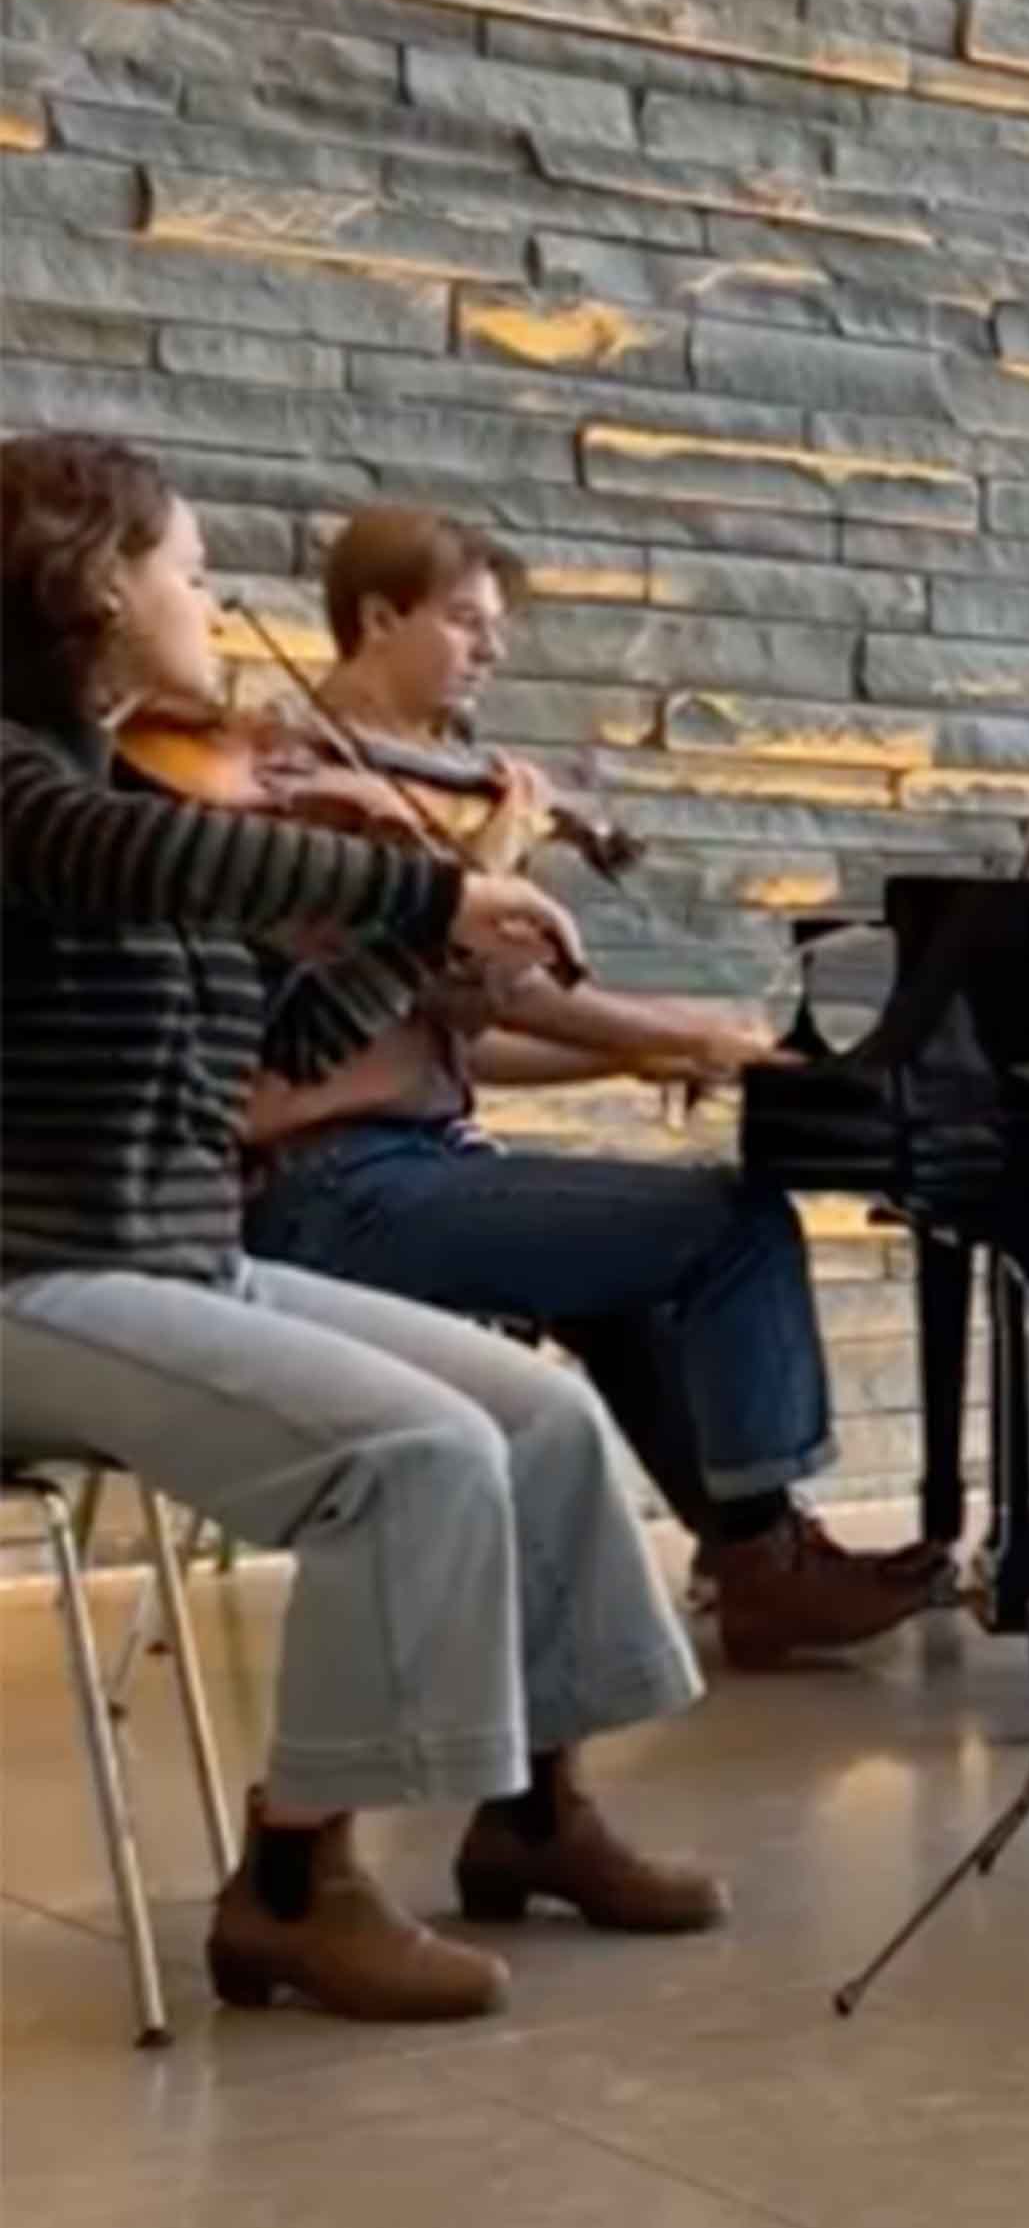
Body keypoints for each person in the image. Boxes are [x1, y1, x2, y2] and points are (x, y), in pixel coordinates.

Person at [0, 433, 727, 2024]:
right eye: (190, 572)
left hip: (174, 1254)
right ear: (97, 587)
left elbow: (289, 1052)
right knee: (410, 1455)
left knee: (540, 1417)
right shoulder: (35, 796)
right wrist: (424, 895)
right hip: (32, 1275)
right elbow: (114, 855)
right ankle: (288, 1886)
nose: (213, 606)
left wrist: (444, 928)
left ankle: (533, 1818)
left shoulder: (136, 791)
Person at [238, 506, 942, 1665]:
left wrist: (639, 1052)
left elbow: (464, 1042)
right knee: (731, 1222)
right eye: (466, 623)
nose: (491, 652)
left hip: (397, 1163)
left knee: (620, 1262)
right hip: (325, 1189)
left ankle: (751, 1558)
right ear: (376, 617)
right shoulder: (309, 794)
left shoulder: (408, 797)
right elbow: (508, 992)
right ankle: (766, 1557)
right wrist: (686, 1027)